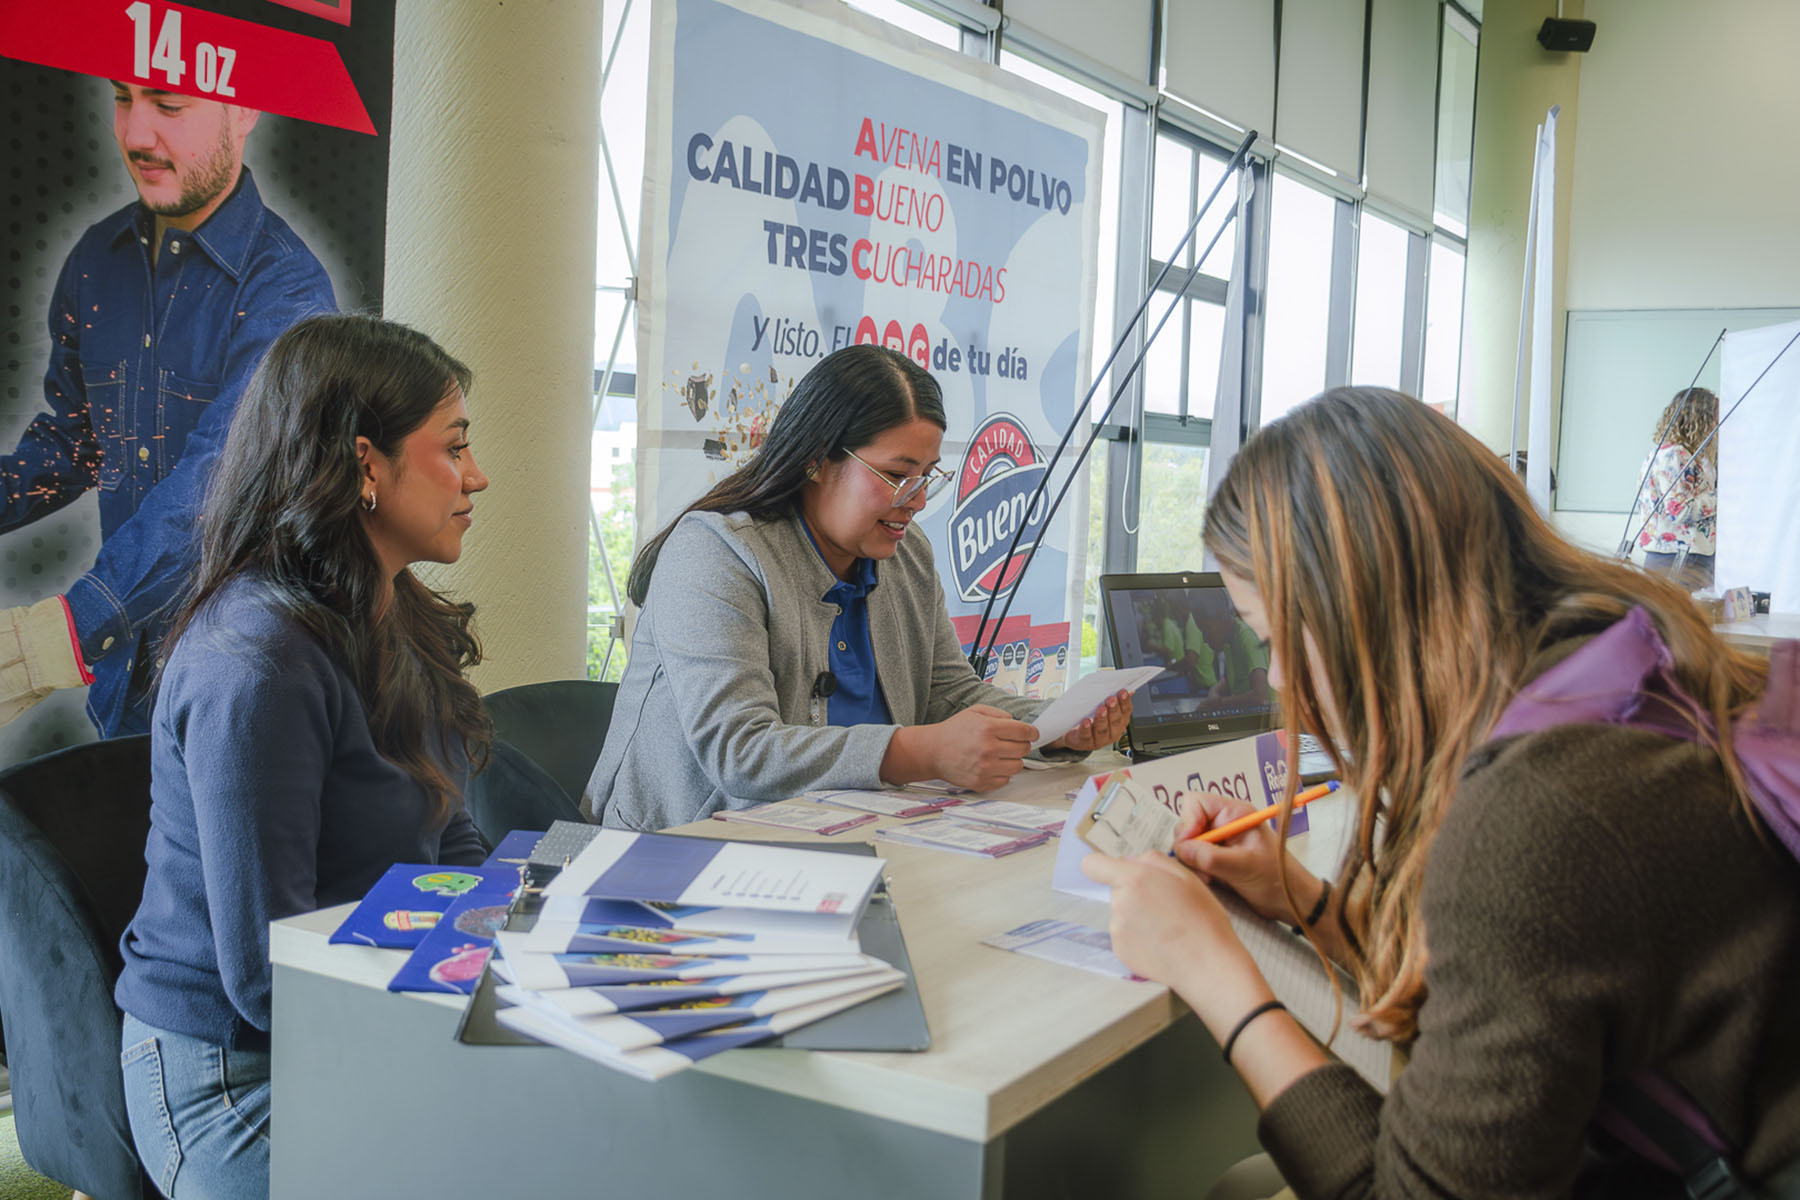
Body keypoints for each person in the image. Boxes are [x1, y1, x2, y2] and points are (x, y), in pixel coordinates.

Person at [1084, 388, 1800, 1198]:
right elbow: (1516, 987)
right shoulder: (1619, 672)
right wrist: (1303, 898)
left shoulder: (1541, 812)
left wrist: (1209, 970)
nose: (1280, 676)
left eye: (1273, 636)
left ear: (1360, 607)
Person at [115, 315, 491, 1198]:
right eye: (455, 448)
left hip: (366, 1020)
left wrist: (508, 954)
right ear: (367, 464)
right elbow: (270, 979)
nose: (478, 477)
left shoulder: (398, 614)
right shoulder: (256, 663)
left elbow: (456, 840)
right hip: (230, 1080)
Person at [587, 344, 1130, 830]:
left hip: (850, 834)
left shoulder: (907, 555)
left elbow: (949, 695)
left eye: (929, 475)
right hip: (686, 850)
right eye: (898, 475)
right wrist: (921, 752)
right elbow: (742, 750)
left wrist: (1052, 729)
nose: (917, 500)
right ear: (817, 461)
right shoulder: (715, 551)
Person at [0, 81, 335, 736]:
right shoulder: (95, 261)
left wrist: (49, 644)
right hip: (125, 694)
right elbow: (73, 447)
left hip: (242, 700)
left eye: (169, 106)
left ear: (243, 110)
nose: (135, 135)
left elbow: (222, 485)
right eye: (123, 99)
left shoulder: (291, 289)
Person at [1633, 386, 1719, 590]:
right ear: (1701, 419)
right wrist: (1726, 497)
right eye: (1715, 418)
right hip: (1677, 558)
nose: (1718, 425)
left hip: (1685, 556)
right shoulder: (1674, 456)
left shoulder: (1684, 455)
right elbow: (1679, 511)